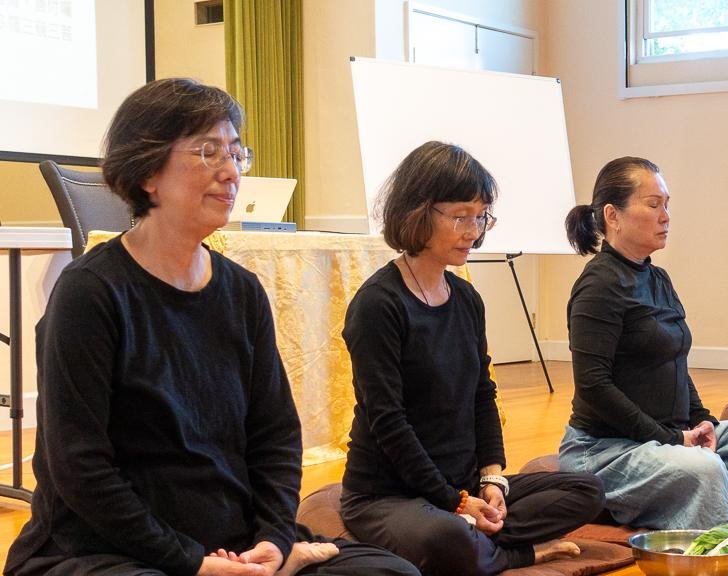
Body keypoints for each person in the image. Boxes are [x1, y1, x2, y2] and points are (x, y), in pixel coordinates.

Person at [4, 78, 419, 576]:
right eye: (208, 152)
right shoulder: (90, 292)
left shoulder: (242, 291)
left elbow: (275, 435)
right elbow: (80, 467)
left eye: (236, 153)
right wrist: (190, 562)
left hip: (233, 539)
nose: (231, 172)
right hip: (111, 547)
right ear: (147, 172)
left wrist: (273, 538)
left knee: (394, 573)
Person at [339, 141, 605, 576]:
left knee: (587, 490)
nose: (474, 231)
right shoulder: (378, 305)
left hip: (462, 487)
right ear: (417, 212)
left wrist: (491, 479)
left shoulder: (466, 298)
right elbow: (388, 422)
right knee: (447, 538)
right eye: (461, 216)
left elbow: (483, 393)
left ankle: (478, 537)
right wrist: (455, 502)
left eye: (481, 217)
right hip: (389, 495)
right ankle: (513, 553)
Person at [557, 157, 728, 530]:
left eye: (667, 205)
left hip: (671, 441)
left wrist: (702, 421)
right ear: (613, 215)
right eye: (653, 205)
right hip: (607, 449)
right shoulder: (599, 285)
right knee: (703, 469)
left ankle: (709, 502)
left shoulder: (658, 278)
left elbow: (676, 362)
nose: (666, 217)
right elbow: (594, 386)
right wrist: (672, 438)